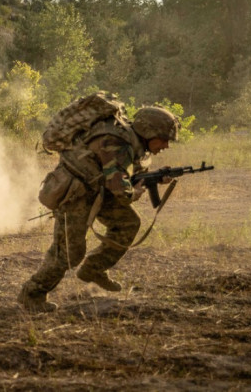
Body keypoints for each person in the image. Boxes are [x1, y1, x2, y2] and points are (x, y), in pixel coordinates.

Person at [18, 105, 180, 313]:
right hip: (75, 195)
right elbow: (121, 190)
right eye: (164, 139)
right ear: (148, 132)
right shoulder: (116, 143)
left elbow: (125, 173)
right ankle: (32, 293)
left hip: (97, 192)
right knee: (69, 253)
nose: (166, 145)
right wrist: (135, 192)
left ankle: (93, 268)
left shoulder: (132, 142)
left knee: (128, 223)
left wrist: (154, 178)